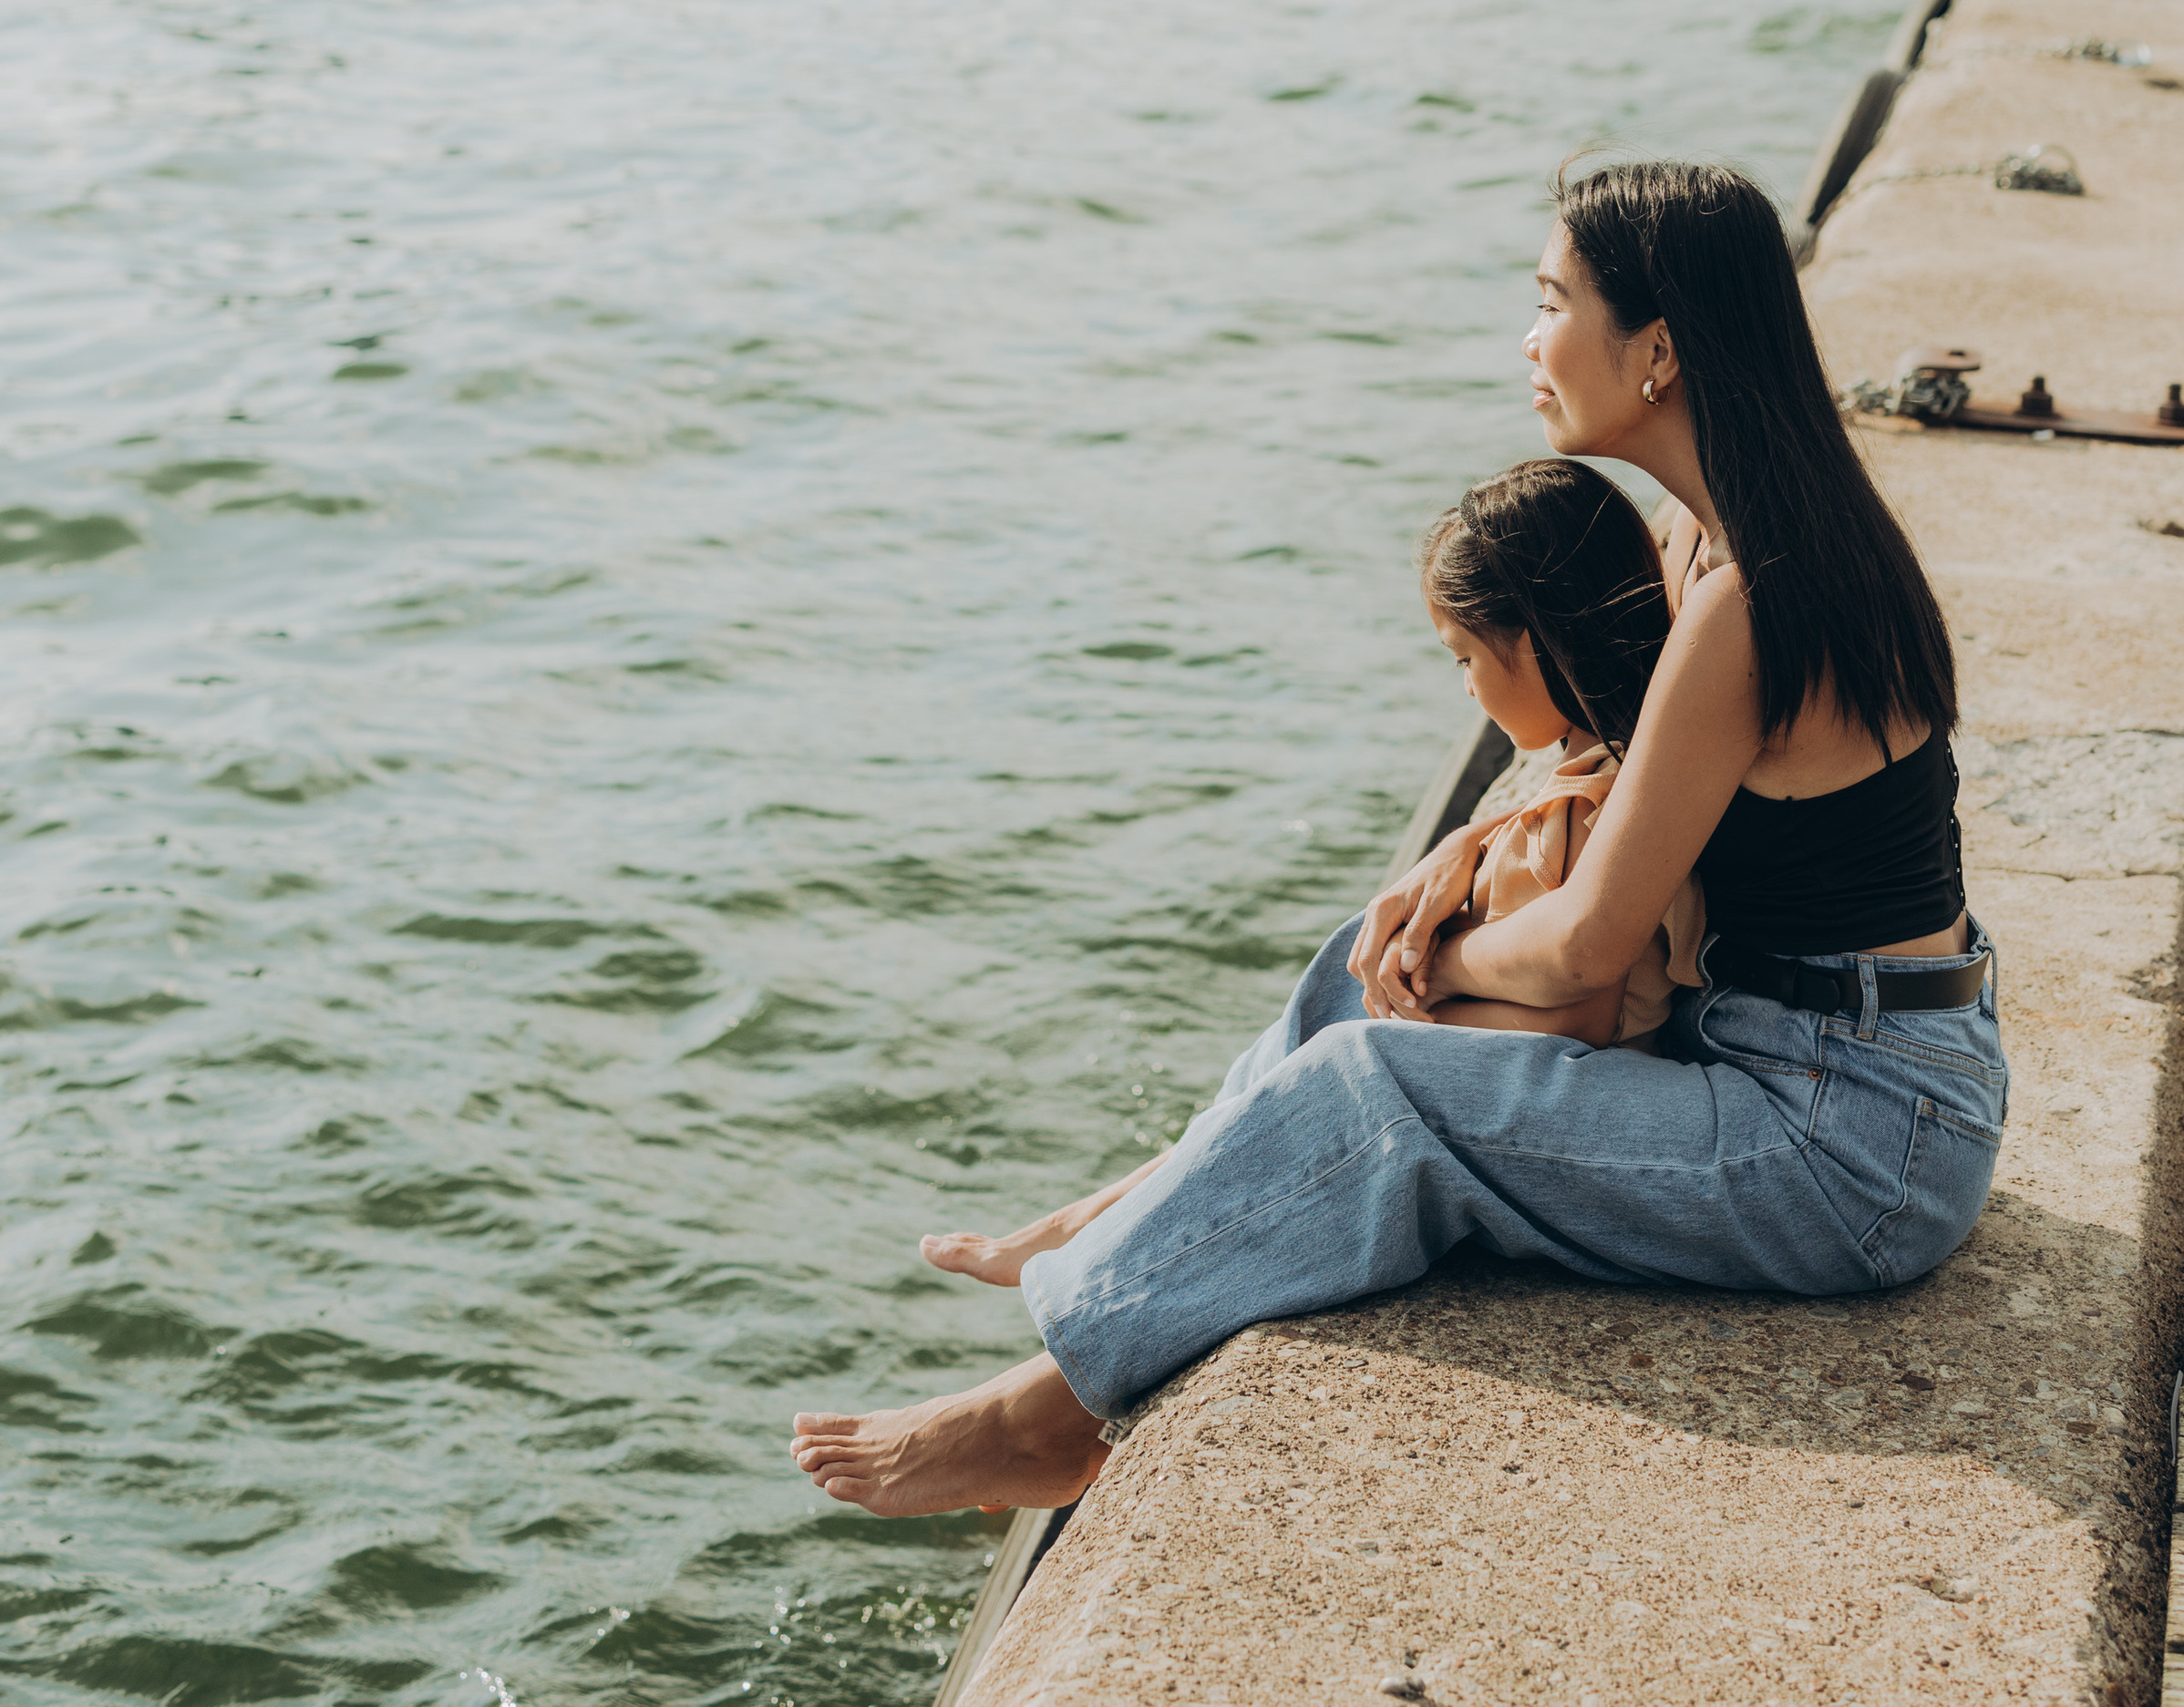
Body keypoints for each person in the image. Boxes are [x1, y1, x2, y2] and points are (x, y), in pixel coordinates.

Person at [792, 159, 2004, 1517]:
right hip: (1842, 1067)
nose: (1529, 339)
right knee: (1354, 964)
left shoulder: (1754, 602)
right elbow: (1641, 770)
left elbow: (1593, 941)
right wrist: (1447, 876)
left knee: (1382, 1083)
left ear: (1657, 350)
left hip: (1848, 1145)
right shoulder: (1715, 540)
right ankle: (1142, 1208)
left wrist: (1450, 960)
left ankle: (1043, 1415)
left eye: (1552, 302)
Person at [918, 454, 1699, 1302]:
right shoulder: (1615, 775)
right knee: (1291, 1058)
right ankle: (1090, 1221)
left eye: (1465, 659)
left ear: (1538, 643)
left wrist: (1421, 1012)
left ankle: (1092, 1241)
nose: (1468, 690)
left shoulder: (1575, 819)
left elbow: (1578, 1023)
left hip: (1558, 1120)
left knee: (1311, 1062)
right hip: (1557, 1089)